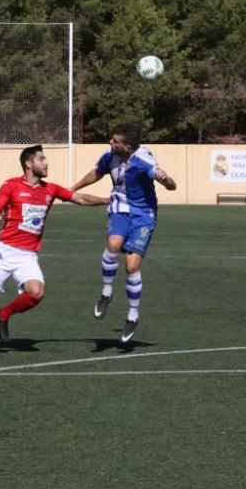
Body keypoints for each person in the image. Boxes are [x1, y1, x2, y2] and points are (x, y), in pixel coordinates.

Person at [0, 145, 107, 353]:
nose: (46, 163)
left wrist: (107, 200)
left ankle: (3, 315)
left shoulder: (50, 189)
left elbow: (80, 198)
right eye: (41, 159)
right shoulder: (10, 185)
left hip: (27, 255)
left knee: (36, 292)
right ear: (28, 164)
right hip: (3, 252)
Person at [71, 125, 177, 343]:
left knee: (132, 267)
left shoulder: (143, 161)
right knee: (113, 244)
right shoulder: (110, 156)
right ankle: (107, 293)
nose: (110, 142)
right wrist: (73, 188)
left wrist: (166, 180)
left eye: (114, 141)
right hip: (119, 208)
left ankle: (132, 315)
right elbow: (96, 173)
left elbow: (171, 186)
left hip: (144, 215)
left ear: (127, 147)